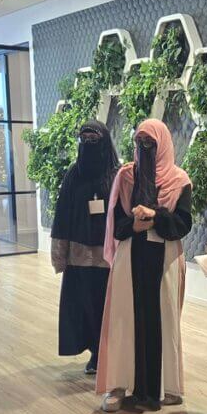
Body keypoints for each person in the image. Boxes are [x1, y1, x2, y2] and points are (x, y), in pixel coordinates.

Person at [96, 119, 193, 412]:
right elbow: (117, 225)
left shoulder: (179, 180)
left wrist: (155, 215)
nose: (144, 149)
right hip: (131, 257)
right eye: (140, 143)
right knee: (125, 320)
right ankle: (120, 383)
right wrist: (137, 225)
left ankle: (165, 386)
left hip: (165, 258)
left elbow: (183, 223)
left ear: (162, 144)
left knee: (163, 320)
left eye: (150, 143)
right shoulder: (126, 177)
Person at [50, 121, 120, 374]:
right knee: (84, 306)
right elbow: (63, 215)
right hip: (79, 254)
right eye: (84, 139)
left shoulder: (116, 174)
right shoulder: (74, 174)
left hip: (108, 255)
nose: (88, 145)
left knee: (106, 305)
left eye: (94, 139)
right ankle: (93, 351)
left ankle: (108, 352)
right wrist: (60, 253)